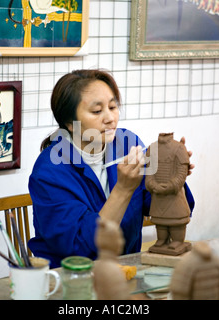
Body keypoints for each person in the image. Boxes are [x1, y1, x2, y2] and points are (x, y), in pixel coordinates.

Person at [28, 69, 195, 268]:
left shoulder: (126, 144)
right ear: (69, 123)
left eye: (113, 107)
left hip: (126, 270)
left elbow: (160, 208)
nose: (110, 118)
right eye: (97, 111)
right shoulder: (50, 172)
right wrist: (123, 190)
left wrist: (172, 179)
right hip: (72, 280)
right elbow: (80, 248)